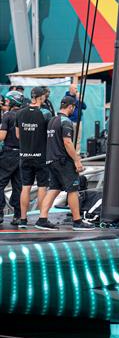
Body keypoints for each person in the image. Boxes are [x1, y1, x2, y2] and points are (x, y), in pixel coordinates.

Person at [33, 96, 93, 231]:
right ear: (71, 107)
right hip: (63, 161)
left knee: (54, 189)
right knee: (73, 189)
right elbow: (67, 142)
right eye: (74, 108)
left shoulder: (52, 120)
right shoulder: (66, 122)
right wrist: (77, 160)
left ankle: (42, 219)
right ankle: (77, 221)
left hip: (51, 160)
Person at [15, 86, 52, 227]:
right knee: (42, 187)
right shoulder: (45, 113)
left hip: (24, 155)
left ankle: (23, 220)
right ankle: (42, 219)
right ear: (41, 97)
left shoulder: (19, 113)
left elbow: (18, 135)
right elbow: (50, 135)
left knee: (25, 187)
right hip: (40, 156)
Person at [0, 90, 24, 225]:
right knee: (18, 186)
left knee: (0, 183)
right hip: (22, 154)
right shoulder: (24, 115)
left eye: (8, 101)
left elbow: (2, 136)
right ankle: (18, 215)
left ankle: (0, 213)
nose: (5, 103)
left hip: (8, 155)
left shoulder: (8, 116)